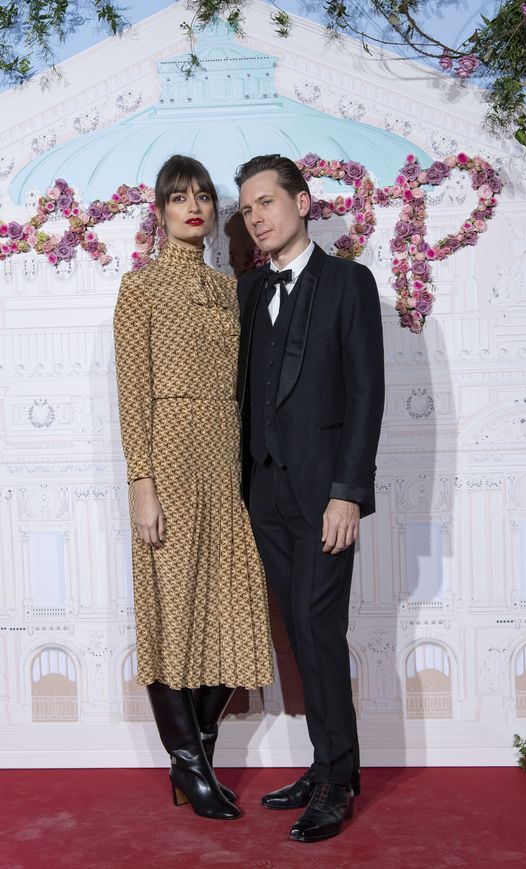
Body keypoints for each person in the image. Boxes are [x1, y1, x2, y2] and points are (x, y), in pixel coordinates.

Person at [113, 154, 273, 821]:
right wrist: (143, 485)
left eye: (203, 195)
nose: (194, 206)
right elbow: (132, 393)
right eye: (179, 197)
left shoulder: (230, 289)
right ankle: (188, 762)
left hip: (225, 464)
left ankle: (196, 746)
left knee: (237, 614)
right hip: (170, 464)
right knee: (170, 614)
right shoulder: (140, 290)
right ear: (160, 210)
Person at [235, 154, 385, 842]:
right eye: (247, 209)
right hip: (266, 491)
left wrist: (347, 494)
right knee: (298, 631)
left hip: (324, 495)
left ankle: (337, 779)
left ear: (301, 202)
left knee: (319, 629)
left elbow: (365, 395)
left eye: (266, 201)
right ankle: (326, 762)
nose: (257, 217)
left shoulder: (348, 282)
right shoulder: (247, 291)